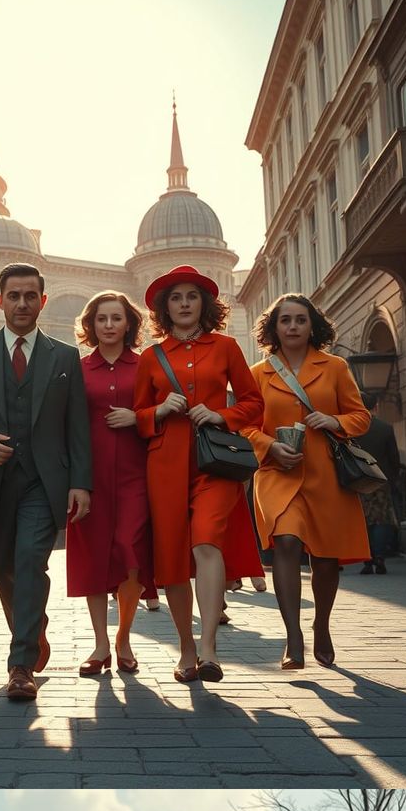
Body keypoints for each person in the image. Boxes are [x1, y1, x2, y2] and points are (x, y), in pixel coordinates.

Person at [0, 263, 92, 704]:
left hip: (44, 484)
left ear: (43, 301)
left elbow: (77, 426)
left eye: (31, 296)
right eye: (14, 296)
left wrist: (80, 482)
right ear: (0, 300)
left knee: (30, 561)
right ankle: (32, 625)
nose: (22, 303)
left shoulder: (65, 357)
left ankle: (20, 664)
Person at [134, 265, 263, 684]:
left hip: (215, 462)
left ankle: (208, 647)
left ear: (204, 304)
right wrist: (160, 410)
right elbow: (137, 415)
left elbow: (253, 403)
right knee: (171, 557)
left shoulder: (225, 347)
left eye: (192, 296)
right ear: (164, 308)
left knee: (207, 539)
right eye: (176, 297)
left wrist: (222, 415)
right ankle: (185, 650)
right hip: (166, 463)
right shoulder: (151, 357)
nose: (185, 303)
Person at [243, 293, 372, 669]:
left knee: (326, 558)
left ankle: (322, 625)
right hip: (276, 473)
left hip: (326, 474)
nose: (293, 326)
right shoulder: (257, 373)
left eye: (300, 319)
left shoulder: (334, 367)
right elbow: (244, 425)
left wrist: (335, 421)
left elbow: (359, 417)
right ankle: (292, 636)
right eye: (285, 320)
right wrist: (268, 446)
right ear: (274, 327)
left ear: (312, 325)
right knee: (285, 541)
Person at [68, 292, 152, 676]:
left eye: (116, 318)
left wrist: (138, 417)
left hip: (138, 473)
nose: (108, 325)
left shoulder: (148, 365)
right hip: (91, 477)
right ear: (91, 324)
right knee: (94, 558)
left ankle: (124, 637)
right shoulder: (78, 368)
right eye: (101, 319)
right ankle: (101, 644)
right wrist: (75, 481)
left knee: (129, 551)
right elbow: (68, 427)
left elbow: (164, 409)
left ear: (129, 323)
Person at [357, 410, 404, 573]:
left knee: (363, 520)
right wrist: (392, 479)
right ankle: (379, 556)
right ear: (376, 407)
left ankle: (367, 559)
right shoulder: (385, 428)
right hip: (380, 481)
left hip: (359, 481)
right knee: (382, 520)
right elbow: (394, 458)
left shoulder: (354, 427)